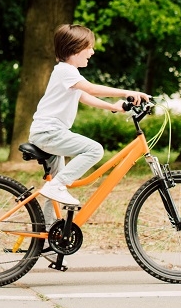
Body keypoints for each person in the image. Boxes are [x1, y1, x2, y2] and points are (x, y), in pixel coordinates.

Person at [31, 24, 150, 210]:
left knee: (54, 189)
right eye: (89, 47)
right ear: (75, 48)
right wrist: (127, 92)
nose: (92, 52)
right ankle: (56, 186)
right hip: (49, 132)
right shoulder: (65, 70)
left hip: (48, 132)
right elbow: (92, 89)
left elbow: (85, 96)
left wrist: (113, 107)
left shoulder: (68, 73)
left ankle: (46, 236)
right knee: (94, 150)